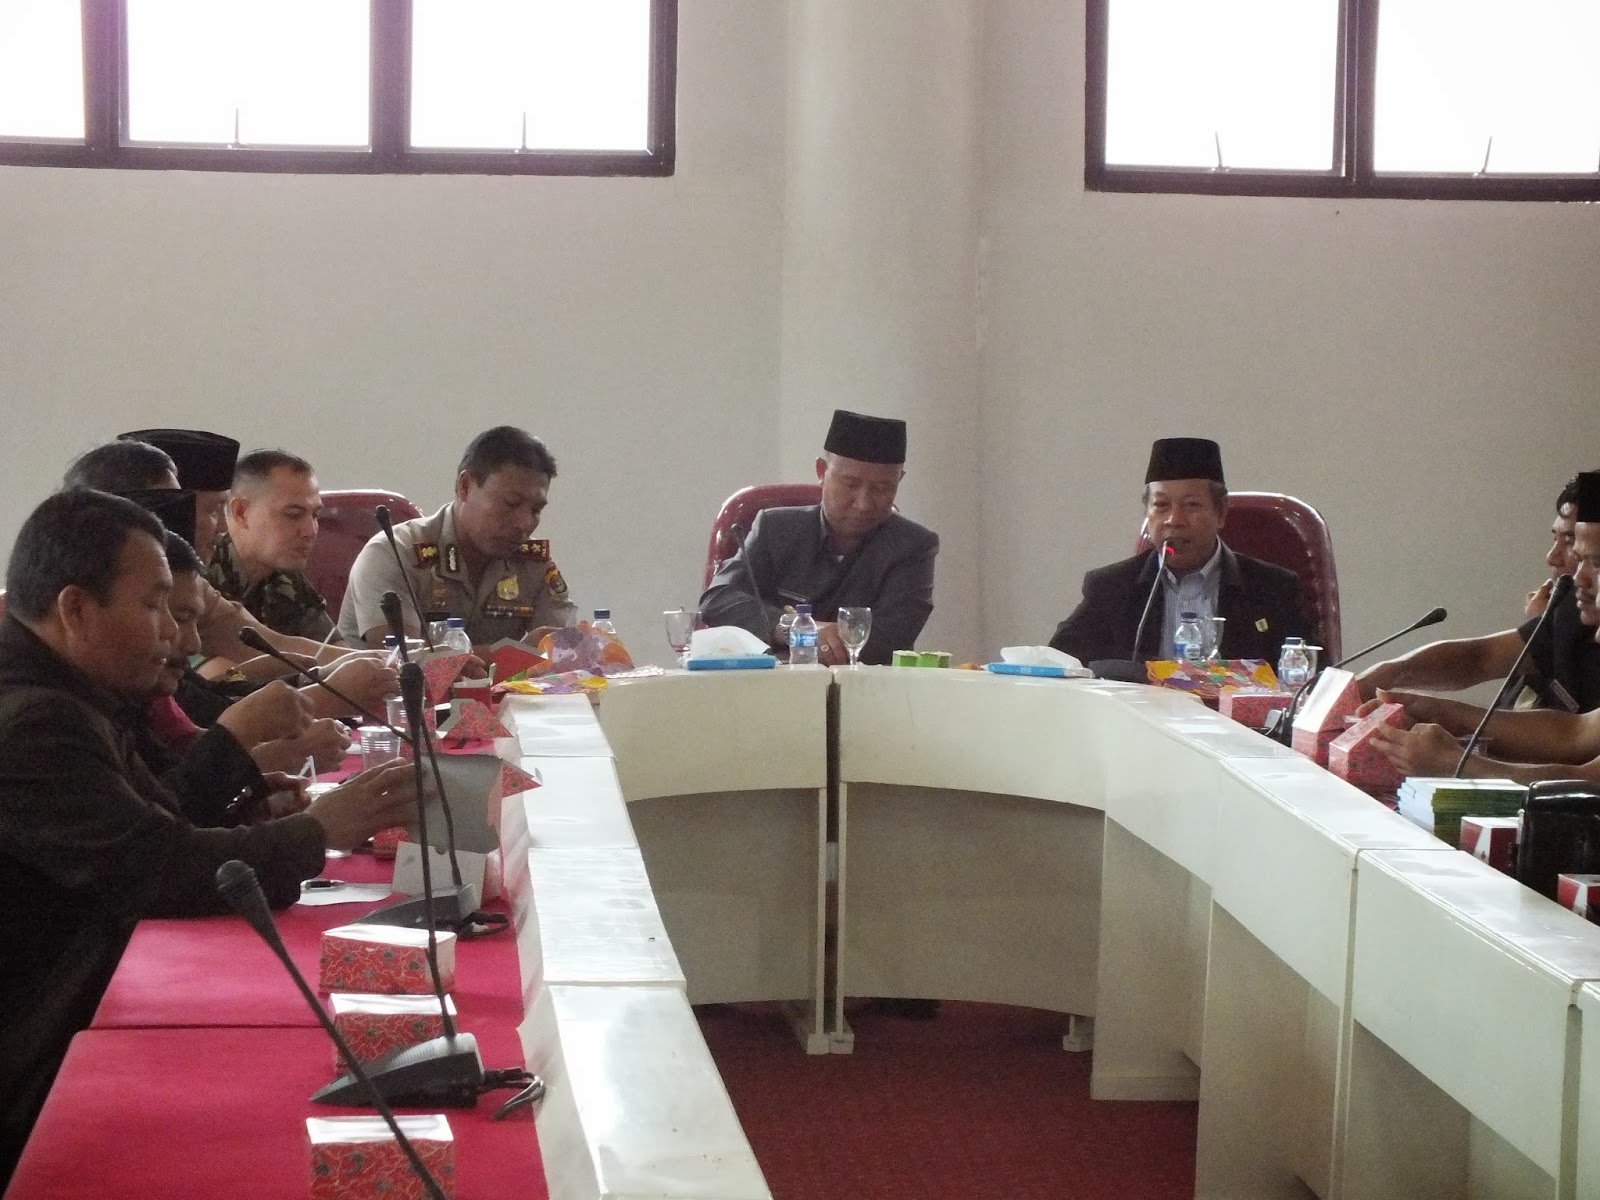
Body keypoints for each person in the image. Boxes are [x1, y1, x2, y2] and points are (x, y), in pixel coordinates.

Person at [0, 489, 419, 1182]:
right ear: (75, 609)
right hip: (37, 1044)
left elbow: (157, 816)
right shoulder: (36, 722)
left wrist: (248, 796)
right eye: (153, 606)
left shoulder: (72, 690)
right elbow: (157, 868)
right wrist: (320, 829)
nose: (177, 636)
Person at [64, 436, 395, 718]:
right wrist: (319, 694)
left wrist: (378, 664)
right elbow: (196, 710)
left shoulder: (196, 583)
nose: (223, 527)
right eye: (210, 511)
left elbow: (254, 650)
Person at [1370, 469, 1600, 783]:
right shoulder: (1571, 609)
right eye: (1581, 558)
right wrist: (1427, 707)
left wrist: (1457, 765)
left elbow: (1589, 780)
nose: (1579, 578)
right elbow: (1576, 733)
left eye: (1596, 563)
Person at [698, 409, 939, 665]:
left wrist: (828, 638)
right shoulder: (775, 528)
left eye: (882, 489)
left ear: (899, 480)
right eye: (850, 485)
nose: (864, 503)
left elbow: (893, 637)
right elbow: (718, 599)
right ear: (821, 471)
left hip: (862, 684)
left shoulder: (913, 546)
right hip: (773, 679)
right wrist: (793, 627)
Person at [1049, 437, 1310, 666]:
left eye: (1191, 505)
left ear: (1220, 513)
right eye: (1161, 506)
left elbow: (1313, 679)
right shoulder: (1110, 588)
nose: (1174, 520)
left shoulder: (1274, 589)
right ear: (1146, 512)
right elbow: (1059, 660)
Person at [338, 425, 577, 648]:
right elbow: (402, 661)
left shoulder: (534, 566)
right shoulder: (395, 554)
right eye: (511, 503)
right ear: (465, 486)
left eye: (536, 510)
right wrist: (520, 653)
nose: (524, 524)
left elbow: (566, 653)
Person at [206, 448, 338, 642]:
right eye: (293, 515)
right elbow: (217, 661)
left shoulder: (283, 573)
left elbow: (333, 646)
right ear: (241, 512)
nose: (310, 531)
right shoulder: (201, 571)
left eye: (315, 515)